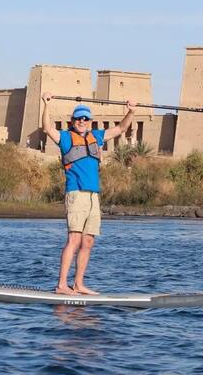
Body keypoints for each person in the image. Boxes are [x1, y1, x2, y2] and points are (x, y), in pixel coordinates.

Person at [41, 92, 137, 295]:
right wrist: (47, 104)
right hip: (76, 194)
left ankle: (78, 284)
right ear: (73, 121)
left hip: (94, 196)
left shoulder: (98, 137)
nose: (82, 121)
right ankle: (61, 285)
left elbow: (121, 128)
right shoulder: (66, 138)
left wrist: (131, 111)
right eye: (78, 118)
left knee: (88, 241)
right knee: (74, 239)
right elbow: (47, 128)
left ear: (90, 122)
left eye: (85, 119)